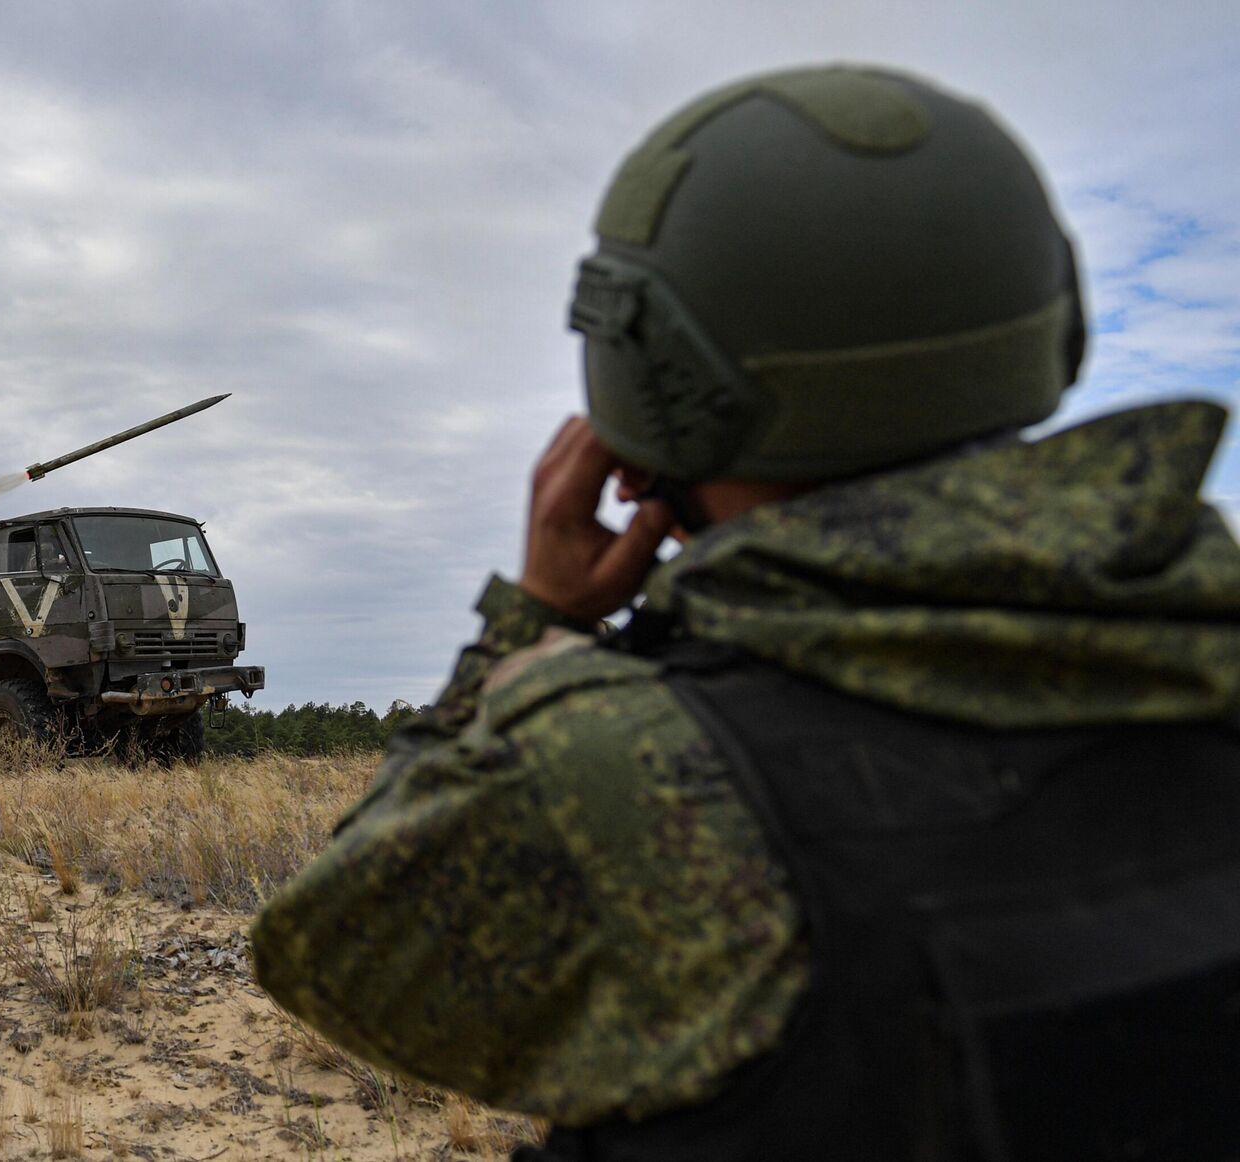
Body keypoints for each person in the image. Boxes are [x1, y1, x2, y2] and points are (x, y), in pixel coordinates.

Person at [251, 64, 1240, 1160]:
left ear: (655, 380)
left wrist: (531, 624)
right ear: (1049, 325)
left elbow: (334, 956)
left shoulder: (627, 768)